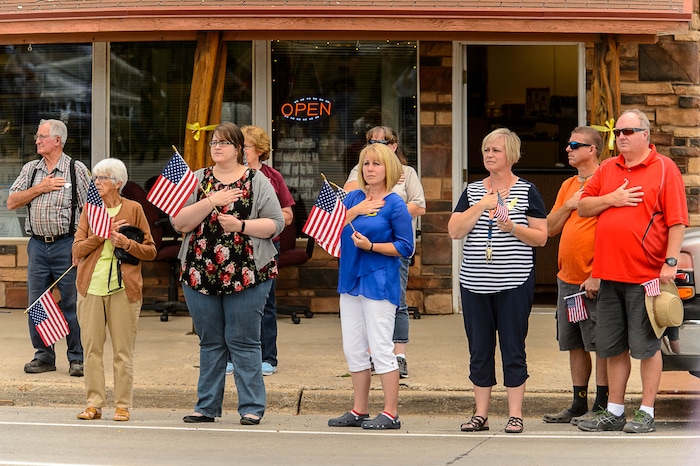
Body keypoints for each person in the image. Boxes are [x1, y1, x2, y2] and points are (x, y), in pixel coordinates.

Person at [577, 109, 688, 434]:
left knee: (647, 347)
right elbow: (583, 207)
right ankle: (614, 410)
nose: (621, 137)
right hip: (609, 275)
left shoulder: (665, 169)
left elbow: (677, 221)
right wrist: (612, 198)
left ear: (645, 135)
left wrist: (670, 262)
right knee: (613, 347)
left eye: (628, 131)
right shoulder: (608, 169)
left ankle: (646, 411)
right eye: (618, 132)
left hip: (647, 278)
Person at [172, 122, 284, 426]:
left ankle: (251, 407)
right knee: (210, 341)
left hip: (247, 273)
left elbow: (276, 224)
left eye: (224, 143)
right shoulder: (196, 180)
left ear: (238, 149)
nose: (217, 147)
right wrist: (211, 201)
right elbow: (179, 223)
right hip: (200, 272)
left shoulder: (256, 181)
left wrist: (241, 226)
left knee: (244, 340)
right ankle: (206, 407)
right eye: (213, 143)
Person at [448, 128, 547, 434]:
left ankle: (515, 414)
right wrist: (481, 205)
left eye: (496, 150)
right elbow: (454, 231)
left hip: (513, 283)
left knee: (513, 347)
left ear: (512, 156)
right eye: (486, 150)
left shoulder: (528, 190)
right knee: (479, 349)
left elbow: (541, 237)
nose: (489, 155)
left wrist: (512, 227)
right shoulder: (472, 190)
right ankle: (481, 414)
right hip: (474, 284)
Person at [328, 143, 413, 430]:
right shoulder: (352, 197)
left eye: (376, 164)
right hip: (350, 279)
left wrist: (373, 245)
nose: (370, 169)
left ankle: (390, 413)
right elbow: (328, 226)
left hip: (379, 281)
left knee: (380, 347)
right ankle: (359, 410)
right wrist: (356, 210)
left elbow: (406, 246)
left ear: (388, 168)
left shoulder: (395, 203)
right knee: (353, 348)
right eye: (366, 164)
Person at [72, 158, 157, 422]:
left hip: (124, 288)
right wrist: (101, 235)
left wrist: (126, 243)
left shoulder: (133, 209)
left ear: (118, 183)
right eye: (96, 178)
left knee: (122, 350)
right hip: (91, 287)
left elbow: (151, 251)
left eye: (103, 178)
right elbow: (76, 251)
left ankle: (122, 405)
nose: (98, 183)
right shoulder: (90, 210)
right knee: (92, 349)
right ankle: (94, 404)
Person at [7, 119, 91, 377]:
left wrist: (82, 247)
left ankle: (77, 358)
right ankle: (44, 356)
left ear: (57, 140)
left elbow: (91, 210)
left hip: (67, 244)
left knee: (72, 303)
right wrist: (40, 188)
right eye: (37, 136)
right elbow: (11, 201)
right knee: (37, 303)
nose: (37, 140)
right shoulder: (31, 169)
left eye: (42, 136)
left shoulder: (76, 170)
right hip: (38, 246)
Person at [343, 126, 426, 378]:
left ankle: (397, 355)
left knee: (396, 301)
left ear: (394, 145)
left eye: (383, 141)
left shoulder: (407, 173)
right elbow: (347, 201)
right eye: (371, 141)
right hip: (357, 253)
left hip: (387, 247)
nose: (370, 167)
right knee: (361, 312)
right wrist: (364, 206)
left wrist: (387, 211)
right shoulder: (360, 171)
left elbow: (419, 205)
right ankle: (369, 356)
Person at [542, 127, 609, 426]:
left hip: (592, 280)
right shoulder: (568, 185)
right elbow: (549, 227)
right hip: (567, 280)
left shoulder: (607, 182)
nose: (567, 149)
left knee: (602, 343)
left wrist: (598, 273)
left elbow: (613, 233)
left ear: (592, 149)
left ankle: (604, 403)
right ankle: (578, 403)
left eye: (574, 145)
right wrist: (569, 205)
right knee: (575, 344)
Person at [240, 125, 295, 377]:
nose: (240, 151)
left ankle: (267, 358)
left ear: (260, 151)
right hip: (233, 245)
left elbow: (287, 215)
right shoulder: (230, 175)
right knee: (233, 302)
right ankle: (233, 357)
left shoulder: (273, 177)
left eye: (245, 146)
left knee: (266, 302)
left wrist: (263, 221)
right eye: (237, 145)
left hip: (266, 244)